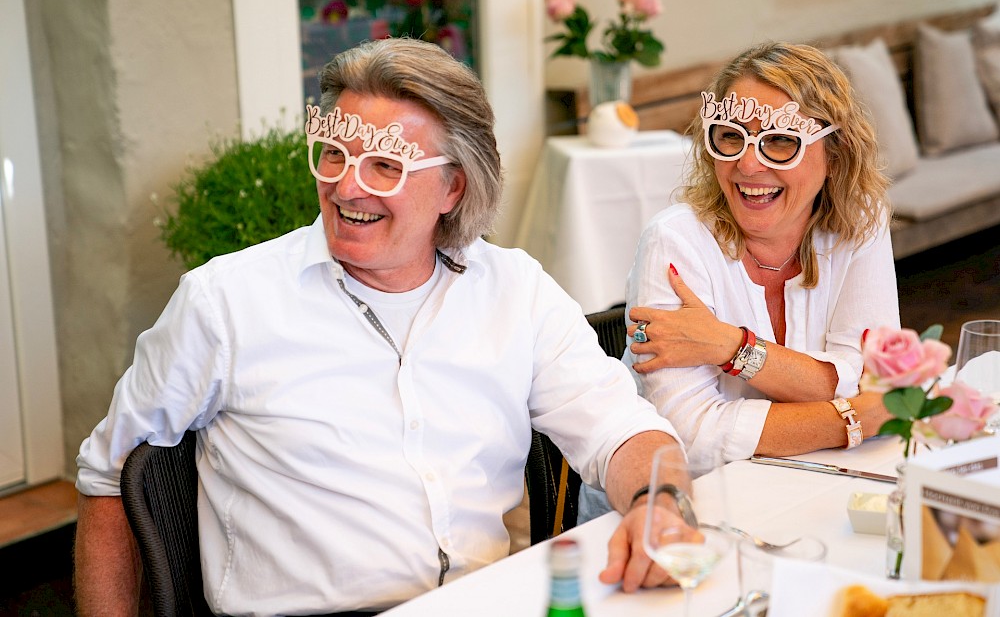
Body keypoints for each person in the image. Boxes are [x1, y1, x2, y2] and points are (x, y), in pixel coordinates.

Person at [73, 37, 687, 616]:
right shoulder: (226, 303)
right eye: (336, 154)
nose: (345, 185)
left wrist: (658, 504)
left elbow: (622, 428)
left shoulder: (514, 291)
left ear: (454, 185)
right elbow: (108, 475)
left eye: (385, 166)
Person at [626, 41, 902, 467]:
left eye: (780, 142)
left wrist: (730, 346)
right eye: (731, 138)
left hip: (813, 479)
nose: (749, 165)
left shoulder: (860, 222)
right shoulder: (675, 242)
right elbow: (687, 437)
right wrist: (850, 420)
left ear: (836, 151)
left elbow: (877, 381)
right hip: (678, 507)